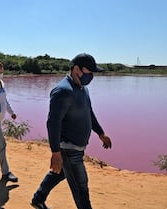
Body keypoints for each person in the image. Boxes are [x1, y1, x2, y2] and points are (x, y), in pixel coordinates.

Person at [31, 53, 112, 209]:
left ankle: (38, 199)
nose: (91, 76)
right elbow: (53, 123)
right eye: (89, 72)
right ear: (76, 69)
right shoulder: (63, 91)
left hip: (77, 147)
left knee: (59, 172)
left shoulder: (82, 89)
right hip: (69, 148)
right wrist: (55, 153)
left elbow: (89, 112)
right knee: (81, 186)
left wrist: (100, 133)